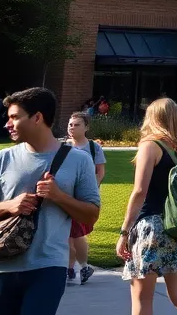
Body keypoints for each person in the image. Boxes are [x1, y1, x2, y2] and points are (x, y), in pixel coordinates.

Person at [0, 88, 101, 315]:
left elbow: (91, 215)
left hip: (48, 267)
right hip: (1, 265)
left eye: (14, 117)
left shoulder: (79, 160)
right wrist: (8, 205)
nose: (7, 124)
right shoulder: (2, 158)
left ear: (37, 117)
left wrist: (59, 197)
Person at [116, 97, 177, 315]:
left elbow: (139, 191)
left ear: (152, 117)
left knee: (142, 299)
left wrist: (124, 232)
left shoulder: (150, 146)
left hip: (151, 226)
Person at [66, 112, 107, 286]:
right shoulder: (63, 146)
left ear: (86, 127)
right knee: (67, 234)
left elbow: (100, 171)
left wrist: (92, 190)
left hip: (84, 199)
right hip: (65, 196)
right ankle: (70, 268)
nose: (72, 127)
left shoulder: (93, 148)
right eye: (70, 124)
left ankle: (81, 267)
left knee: (77, 234)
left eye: (76, 125)